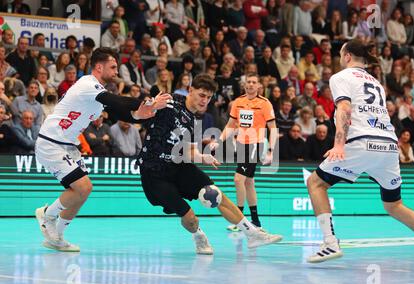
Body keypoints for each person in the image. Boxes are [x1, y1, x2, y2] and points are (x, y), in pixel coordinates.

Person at [305, 39, 414, 272]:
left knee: (316, 183)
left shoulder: (341, 77)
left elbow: (344, 109)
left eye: (341, 53)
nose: (340, 57)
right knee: (394, 204)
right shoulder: (376, 82)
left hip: (361, 141)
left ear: (348, 56)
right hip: (389, 145)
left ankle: (330, 243)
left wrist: (339, 144)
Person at [34, 48, 172, 252]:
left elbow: (121, 110)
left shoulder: (98, 94)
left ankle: (57, 237)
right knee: (82, 187)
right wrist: (150, 102)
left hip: (68, 144)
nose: (116, 71)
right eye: (113, 67)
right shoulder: (88, 84)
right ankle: (46, 215)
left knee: (82, 193)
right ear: (99, 67)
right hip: (51, 141)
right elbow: (116, 101)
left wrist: (141, 115)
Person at [137, 73, 282, 253]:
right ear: (191, 90)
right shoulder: (171, 100)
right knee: (191, 218)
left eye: (209, 97)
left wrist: (202, 157)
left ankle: (252, 234)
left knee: (216, 193)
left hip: (178, 165)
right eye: (201, 95)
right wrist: (150, 104)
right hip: (154, 172)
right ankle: (199, 236)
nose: (204, 100)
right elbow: (142, 110)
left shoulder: (193, 121)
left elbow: (190, 153)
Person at [214, 73, 278, 230]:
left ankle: (239, 220)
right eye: (248, 82)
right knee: (248, 182)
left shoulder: (265, 103)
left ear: (258, 86)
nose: (250, 84)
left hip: (256, 144)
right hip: (242, 145)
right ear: (244, 85)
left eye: (253, 82)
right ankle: (255, 221)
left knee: (238, 180)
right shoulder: (238, 102)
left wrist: (271, 150)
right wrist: (219, 141)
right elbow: (231, 125)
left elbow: (273, 128)